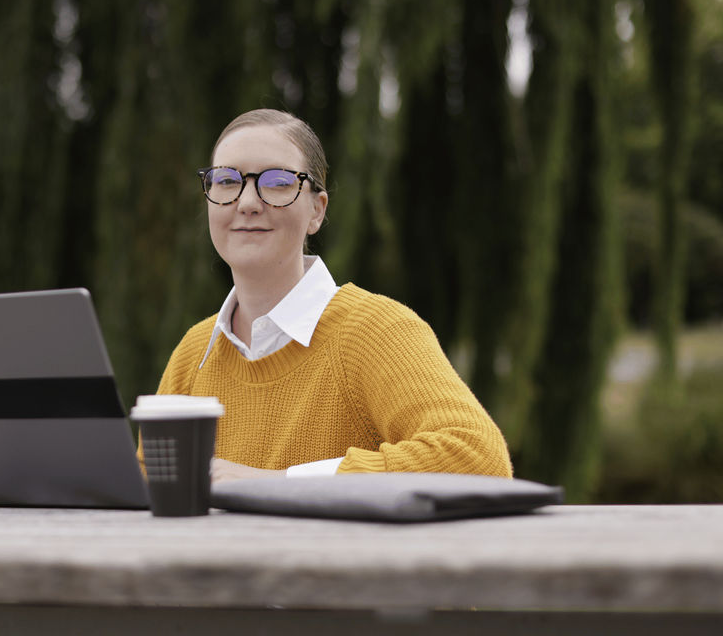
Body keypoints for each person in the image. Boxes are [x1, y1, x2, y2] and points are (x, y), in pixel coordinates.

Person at [156, 109, 512, 483]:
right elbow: (148, 491)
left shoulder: (376, 332)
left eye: (277, 182)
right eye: (226, 180)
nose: (246, 201)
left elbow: (477, 457)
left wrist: (275, 483)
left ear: (316, 210)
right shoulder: (194, 354)